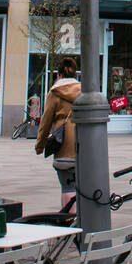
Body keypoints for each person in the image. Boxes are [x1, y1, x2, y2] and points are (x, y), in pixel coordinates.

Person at [35, 57, 82, 208]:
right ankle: (82, 219)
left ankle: (69, 220)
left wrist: (40, 145)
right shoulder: (85, 91)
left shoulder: (55, 92)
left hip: (64, 145)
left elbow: (46, 120)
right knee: (83, 187)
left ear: (58, 75)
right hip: (85, 145)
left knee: (67, 186)